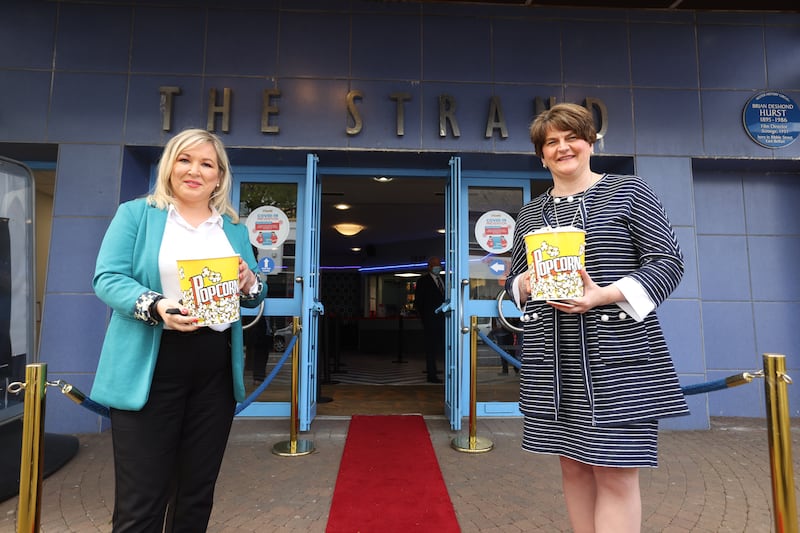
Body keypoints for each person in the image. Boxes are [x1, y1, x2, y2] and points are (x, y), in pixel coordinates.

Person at [504, 103, 688, 533]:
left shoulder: (631, 192)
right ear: (541, 154)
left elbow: (668, 263)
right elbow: (513, 279)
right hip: (555, 360)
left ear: (591, 143)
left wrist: (602, 295)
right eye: (552, 142)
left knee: (616, 472)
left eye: (572, 137)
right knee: (572, 468)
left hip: (619, 358)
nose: (563, 148)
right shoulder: (529, 213)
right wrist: (526, 284)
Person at [91, 128, 267, 532]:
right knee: (142, 500)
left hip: (214, 369)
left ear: (220, 177)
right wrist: (156, 306)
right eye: (185, 160)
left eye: (207, 164)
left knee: (196, 495)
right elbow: (108, 279)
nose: (195, 171)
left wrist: (249, 282)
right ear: (169, 165)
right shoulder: (137, 214)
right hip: (152, 363)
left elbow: (255, 295)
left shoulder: (233, 229)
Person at [414, 256, 445, 383]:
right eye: (435, 265)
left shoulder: (443, 279)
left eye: (439, 265)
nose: (438, 267)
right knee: (431, 348)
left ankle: (446, 372)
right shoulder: (423, 281)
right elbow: (419, 302)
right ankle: (431, 374)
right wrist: (425, 319)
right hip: (431, 321)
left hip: (444, 320)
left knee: (444, 347)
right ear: (430, 267)